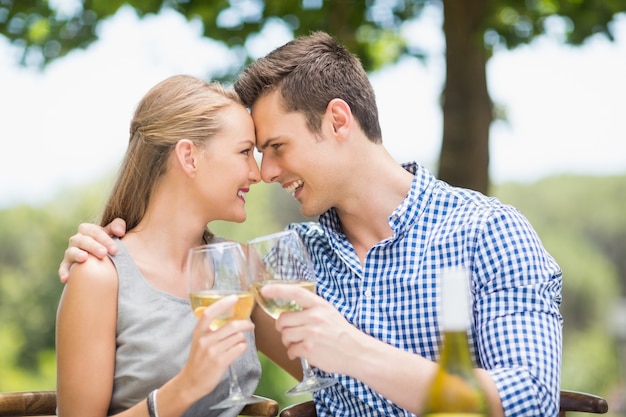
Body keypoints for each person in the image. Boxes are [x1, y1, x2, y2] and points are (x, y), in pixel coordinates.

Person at [58, 32, 562, 417]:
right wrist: (98, 256)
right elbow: (160, 284)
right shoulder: (286, 259)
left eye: (275, 147)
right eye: (252, 153)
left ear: (339, 121)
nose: (265, 172)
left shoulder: (486, 232)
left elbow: (532, 397)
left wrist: (355, 352)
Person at [55, 75, 265, 417]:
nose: (257, 173)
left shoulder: (239, 265)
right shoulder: (99, 276)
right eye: (244, 152)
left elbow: (325, 367)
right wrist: (185, 387)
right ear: (189, 157)